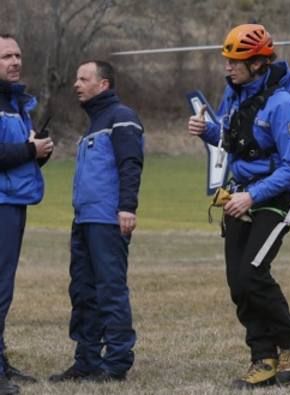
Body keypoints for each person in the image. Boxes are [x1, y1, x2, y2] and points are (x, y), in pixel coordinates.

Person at [187, 24, 290, 389]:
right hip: (240, 194)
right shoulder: (235, 96)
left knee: (254, 272)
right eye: (227, 60)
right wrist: (206, 131)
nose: (228, 67)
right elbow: (233, 139)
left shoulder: (283, 105)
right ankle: (262, 358)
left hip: (275, 198)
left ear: (258, 63)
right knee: (238, 283)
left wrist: (252, 196)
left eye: (236, 61)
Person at [49, 60, 144, 383]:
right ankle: (86, 360)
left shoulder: (122, 118)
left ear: (103, 85)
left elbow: (130, 164)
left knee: (110, 290)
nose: (76, 84)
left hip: (107, 220)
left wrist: (127, 207)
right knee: (83, 291)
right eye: (76, 78)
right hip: (84, 220)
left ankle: (116, 362)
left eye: (83, 79)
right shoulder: (94, 123)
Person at [0, 33, 53, 395]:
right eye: (6, 56)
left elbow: (15, 155)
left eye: (17, 55)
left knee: (5, 288)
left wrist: (39, 152)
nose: (15, 61)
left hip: (13, 201)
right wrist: (27, 149)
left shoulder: (16, 103)